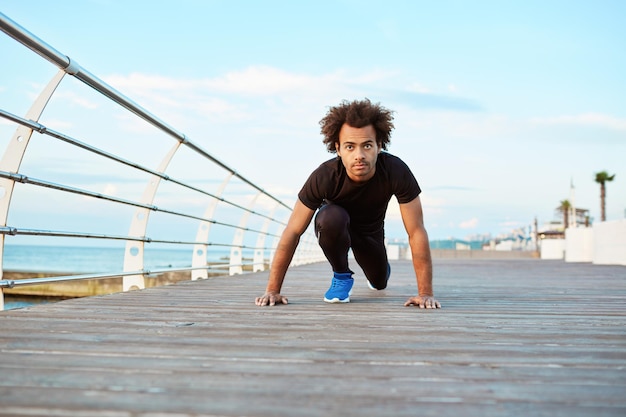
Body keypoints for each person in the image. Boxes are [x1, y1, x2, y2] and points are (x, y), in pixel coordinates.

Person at [255, 98, 441, 309]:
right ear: (338, 148)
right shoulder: (324, 176)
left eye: (367, 145)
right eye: (350, 147)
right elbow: (293, 231)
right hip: (336, 227)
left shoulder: (395, 171)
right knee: (330, 216)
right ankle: (342, 275)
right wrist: (272, 290)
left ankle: (381, 270)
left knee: (379, 282)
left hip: (370, 234)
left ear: (379, 146)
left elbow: (416, 230)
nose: (359, 155)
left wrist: (425, 293)